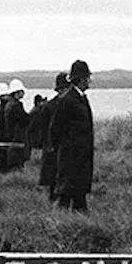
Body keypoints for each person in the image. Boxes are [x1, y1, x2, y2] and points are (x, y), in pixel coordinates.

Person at [49, 61, 94, 211]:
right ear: (82, 79)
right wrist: (62, 148)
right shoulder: (67, 100)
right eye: (88, 78)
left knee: (79, 192)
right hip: (70, 155)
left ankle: (78, 219)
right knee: (66, 193)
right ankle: (59, 222)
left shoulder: (81, 98)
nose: (89, 81)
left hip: (81, 154)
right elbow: (55, 128)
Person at [32, 72, 70, 200]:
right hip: (52, 146)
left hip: (64, 146)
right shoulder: (49, 107)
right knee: (54, 176)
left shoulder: (67, 104)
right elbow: (44, 128)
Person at [4, 78, 30, 171]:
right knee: (17, 164)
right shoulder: (16, 105)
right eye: (22, 91)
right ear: (17, 92)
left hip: (11, 137)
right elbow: (25, 119)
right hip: (17, 138)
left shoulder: (8, 104)